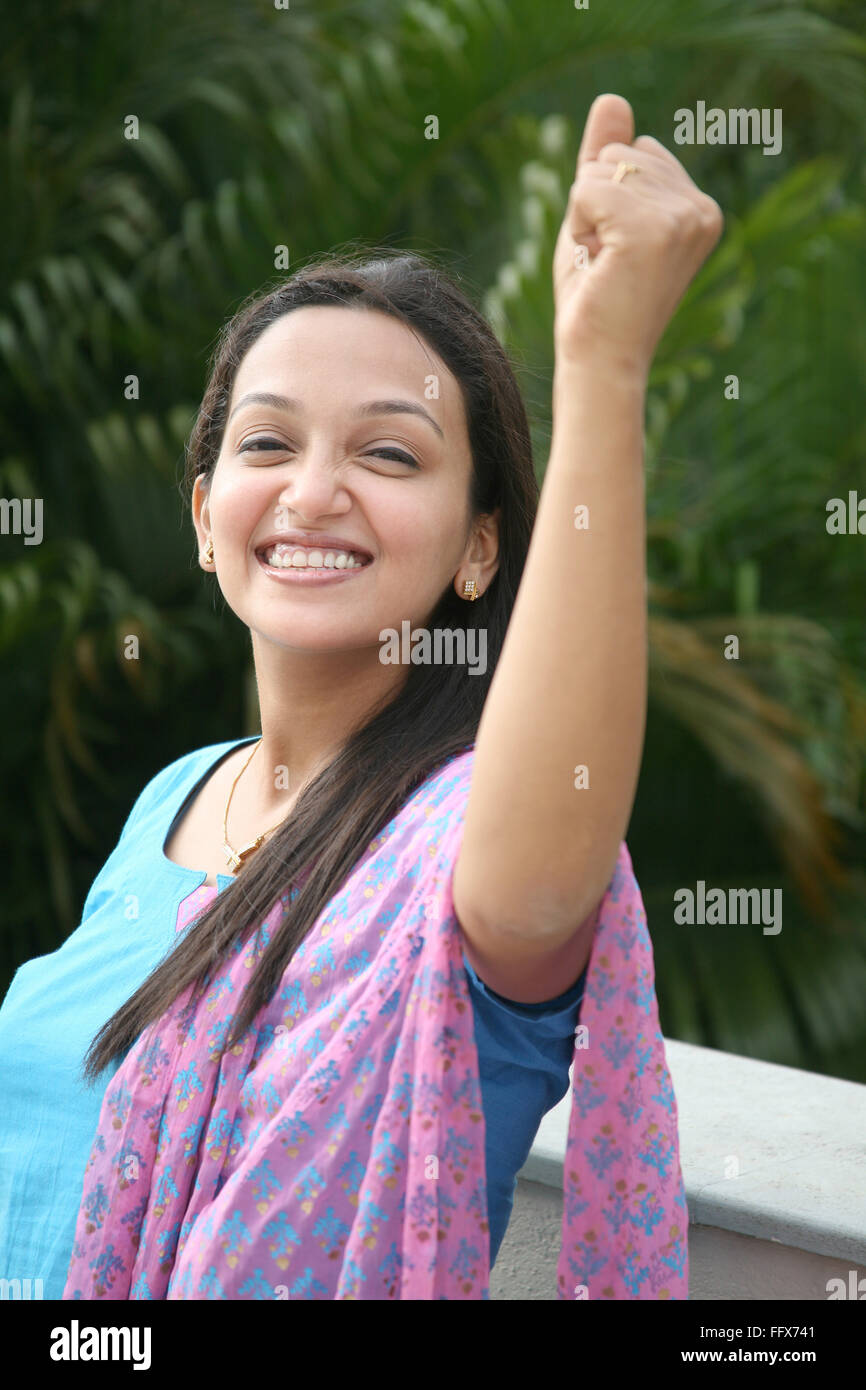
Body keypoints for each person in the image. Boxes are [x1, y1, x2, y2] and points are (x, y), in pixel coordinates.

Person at [0, 94, 722, 1299]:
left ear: (480, 550)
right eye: (267, 445)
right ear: (201, 515)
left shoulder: (463, 847)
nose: (313, 492)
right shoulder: (175, 797)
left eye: (388, 453)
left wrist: (603, 360)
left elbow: (548, 864)